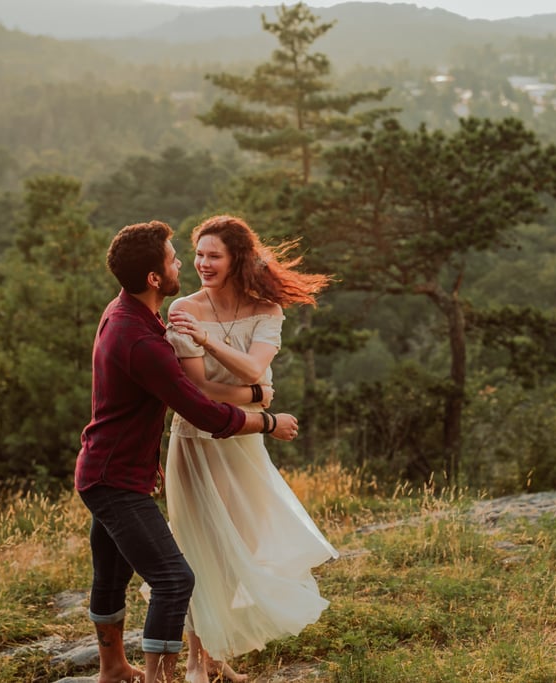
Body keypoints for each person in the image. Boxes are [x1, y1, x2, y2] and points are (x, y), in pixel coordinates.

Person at [75, 220, 300, 683]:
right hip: (115, 478)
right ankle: (162, 677)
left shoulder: (127, 316)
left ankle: (114, 669)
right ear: (155, 278)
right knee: (175, 579)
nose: (188, 264)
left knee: (111, 574)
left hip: (110, 469)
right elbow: (202, 409)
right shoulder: (142, 337)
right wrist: (266, 418)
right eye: (177, 258)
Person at [161, 215, 338, 683]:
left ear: (236, 258)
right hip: (197, 441)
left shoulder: (266, 310)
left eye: (213, 255)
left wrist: (219, 353)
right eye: (198, 254)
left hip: (243, 444)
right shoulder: (184, 309)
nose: (202, 263)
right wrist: (257, 395)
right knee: (203, 548)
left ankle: (218, 653)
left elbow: (254, 365)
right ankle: (197, 663)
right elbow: (196, 391)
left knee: (243, 544)